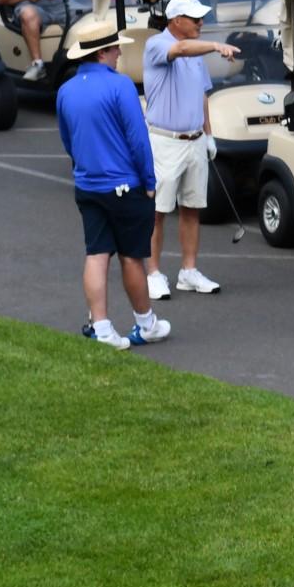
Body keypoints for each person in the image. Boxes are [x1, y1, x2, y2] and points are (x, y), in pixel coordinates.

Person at [54, 28, 169, 350]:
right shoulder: (120, 86)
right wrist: (149, 182)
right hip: (124, 186)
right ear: (102, 53)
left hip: (88, 184)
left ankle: (102, 326)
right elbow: (137, 139)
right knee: (132, 256)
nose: (119, 53)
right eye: (115, 49)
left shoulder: (66, 90)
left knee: (96, 253)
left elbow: (68, 139)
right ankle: (145, 323)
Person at [141, 0, 237, 301]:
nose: (200, 23)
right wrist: (216, 46)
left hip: (195, 140)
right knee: (157, 211)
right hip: (165, 141)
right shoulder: (158, 44)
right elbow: (179, 49)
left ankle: (188, 271)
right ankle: (153, 273)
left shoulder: (195, 51)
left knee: (192, 208)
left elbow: (203, 95)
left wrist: (208, 135)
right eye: (194, 18)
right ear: (176, 21)